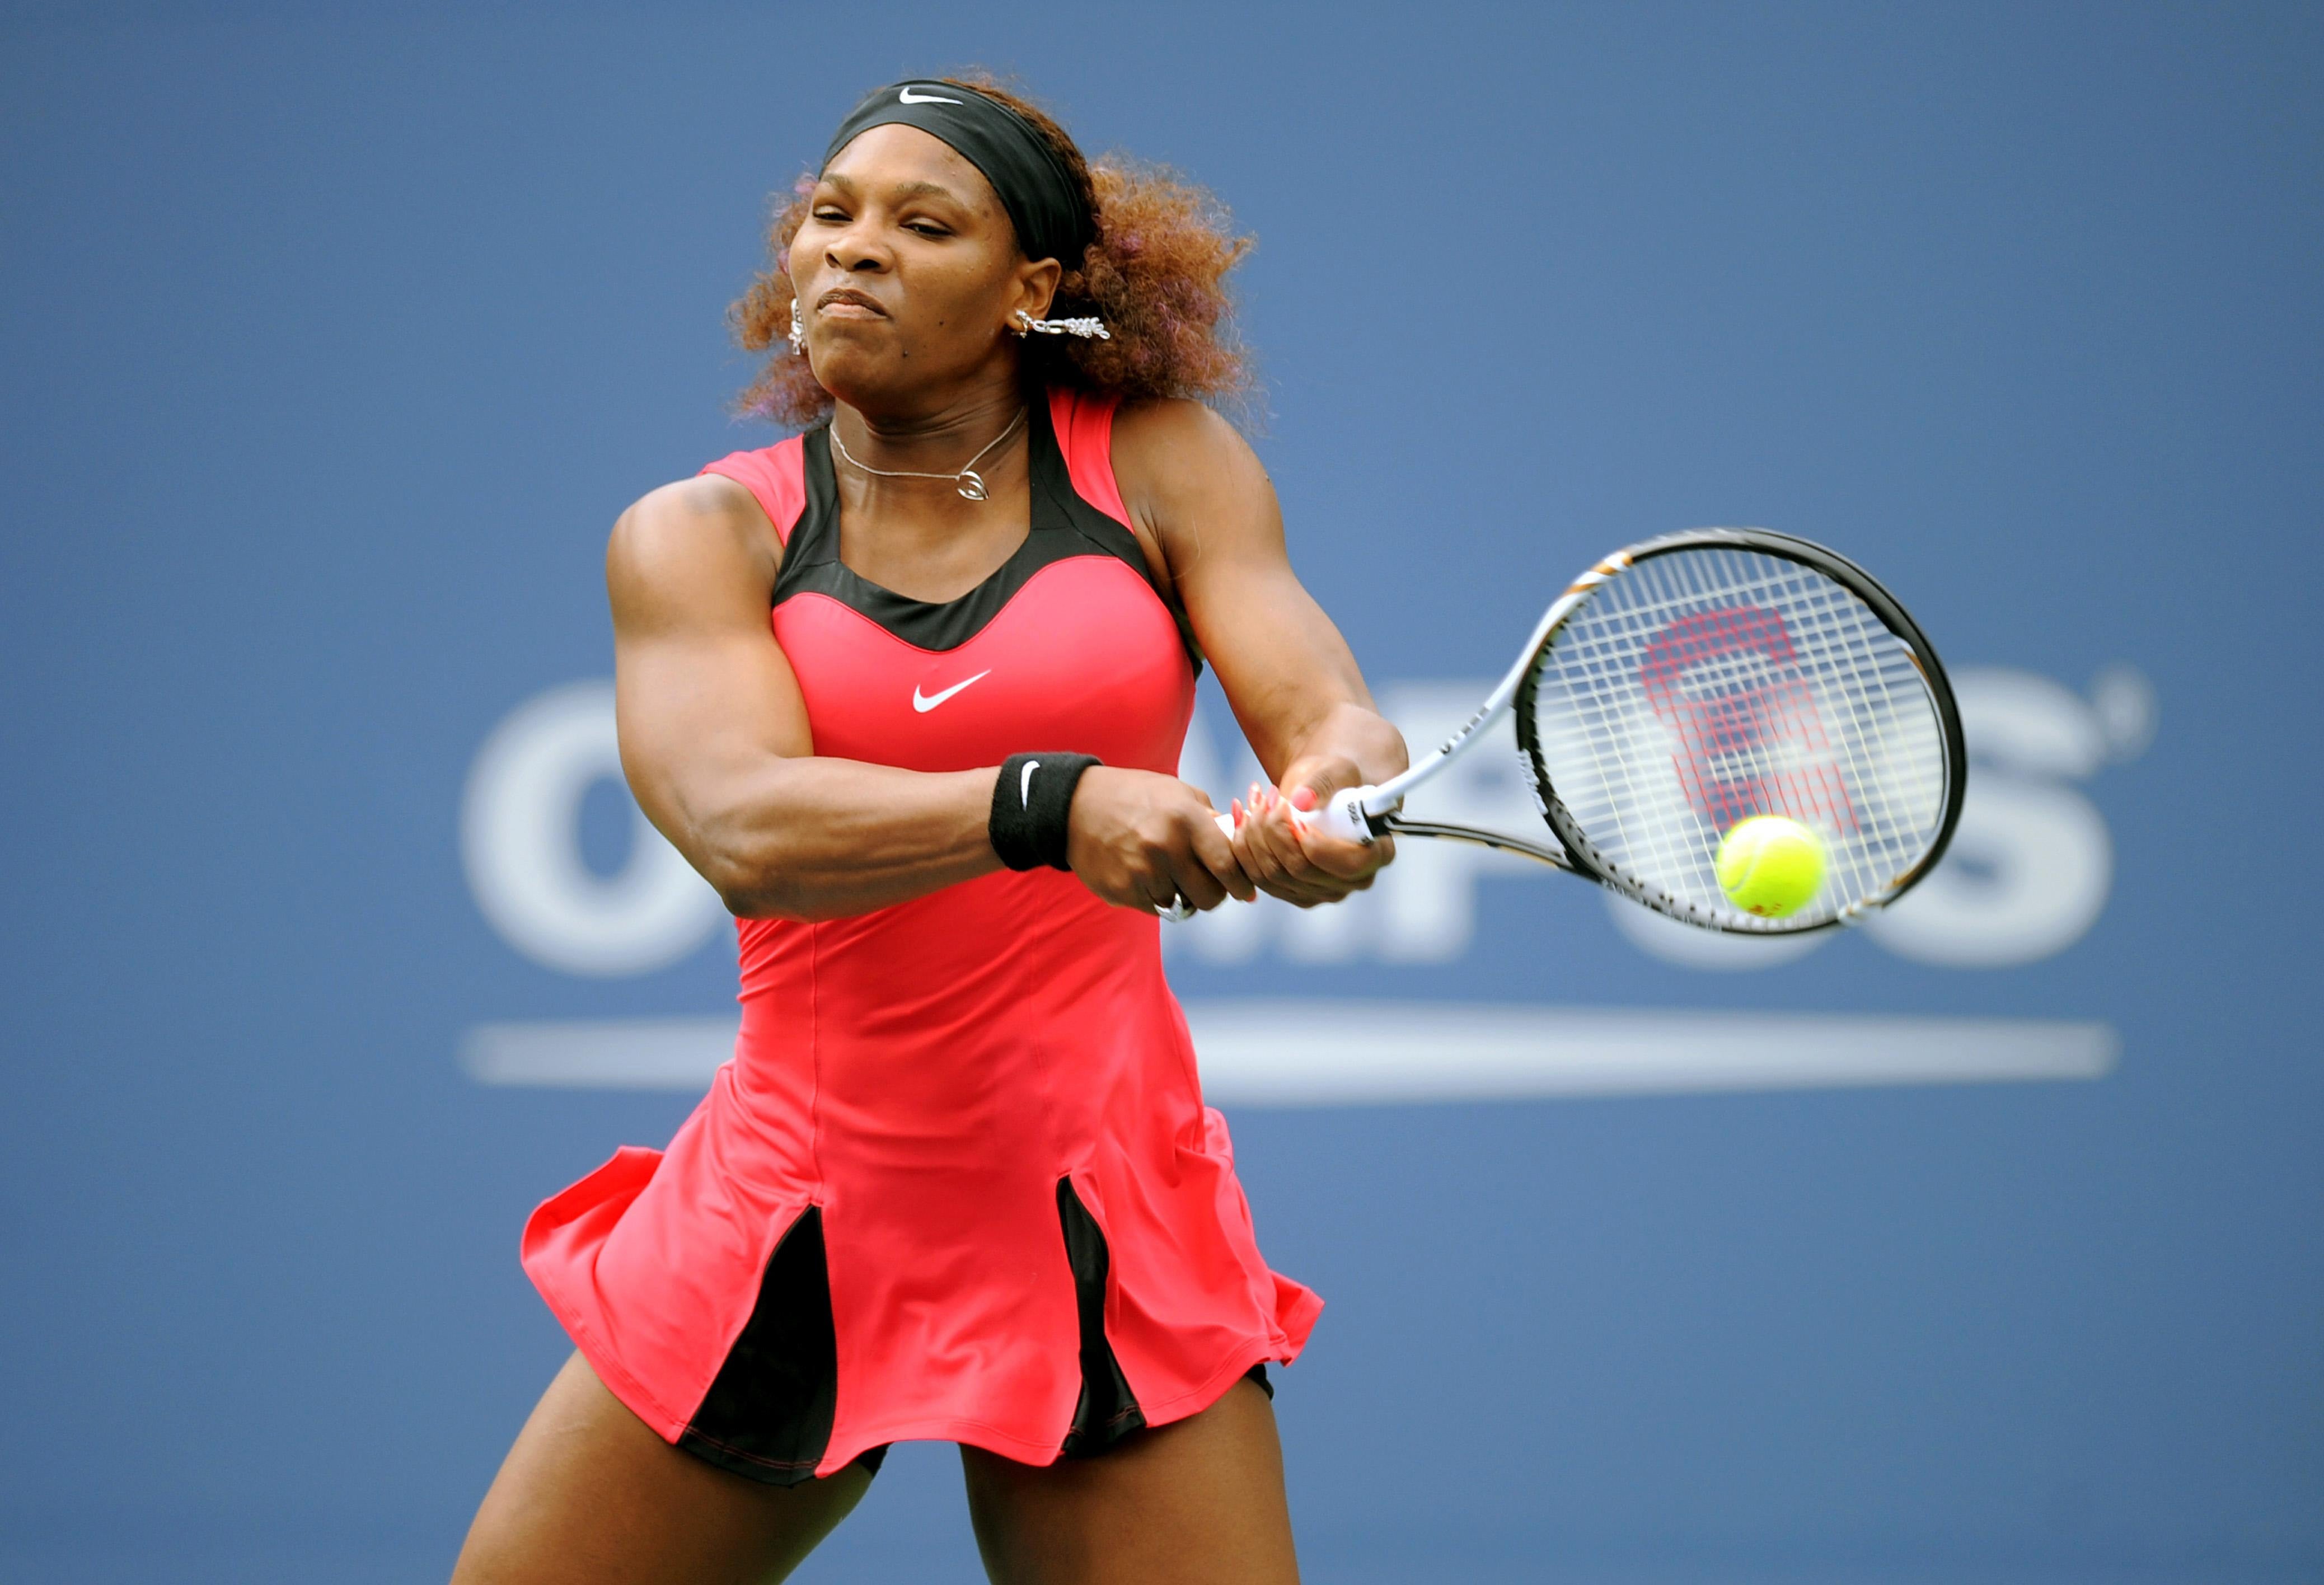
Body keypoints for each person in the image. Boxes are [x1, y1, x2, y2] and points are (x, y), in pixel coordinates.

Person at [452, 75, 1405, 1585]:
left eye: (921, 222)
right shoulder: (704, 535)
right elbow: (739, 823)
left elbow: (1331, 716)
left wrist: (1332, 797)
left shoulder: (1162, 463)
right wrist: (1049, 802)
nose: (851, 252)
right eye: (828, 218)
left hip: (1106, 1216)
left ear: (1032, 287)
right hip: (792, 1214)